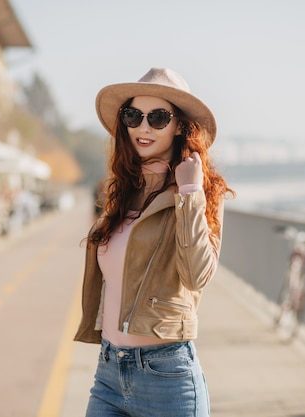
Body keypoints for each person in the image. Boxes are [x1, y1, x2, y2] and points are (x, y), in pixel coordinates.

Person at [74, 67, 234, 417]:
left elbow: (197, 276)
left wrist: (190, 192)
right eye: (134, 116)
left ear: (179, 125)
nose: (143, 127)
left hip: (167, 377)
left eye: (158, 117)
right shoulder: (121, 190)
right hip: (109, 372)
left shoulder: (202, 193)